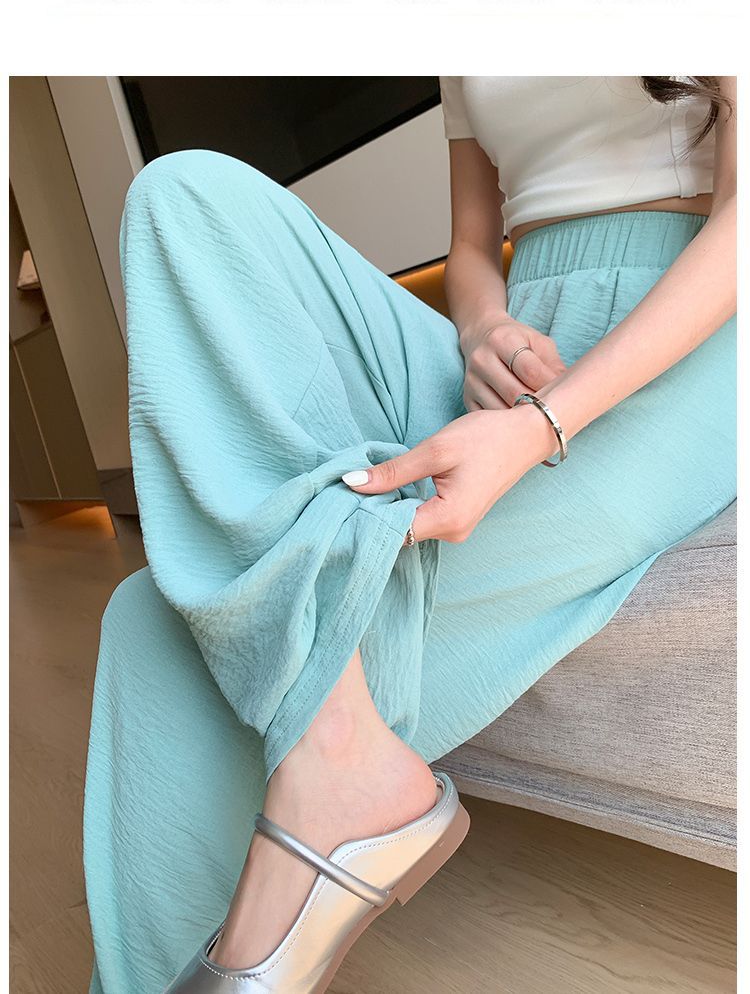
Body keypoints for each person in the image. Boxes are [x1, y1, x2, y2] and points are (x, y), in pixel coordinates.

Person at [83, 77, 736, 994]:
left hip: (680, 345)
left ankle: (334, 776)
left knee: (152, 629)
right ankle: (337, 745)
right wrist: (483, 325)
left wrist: (540, 427)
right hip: (510, 354)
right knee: (182, 192)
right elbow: (472, 246)